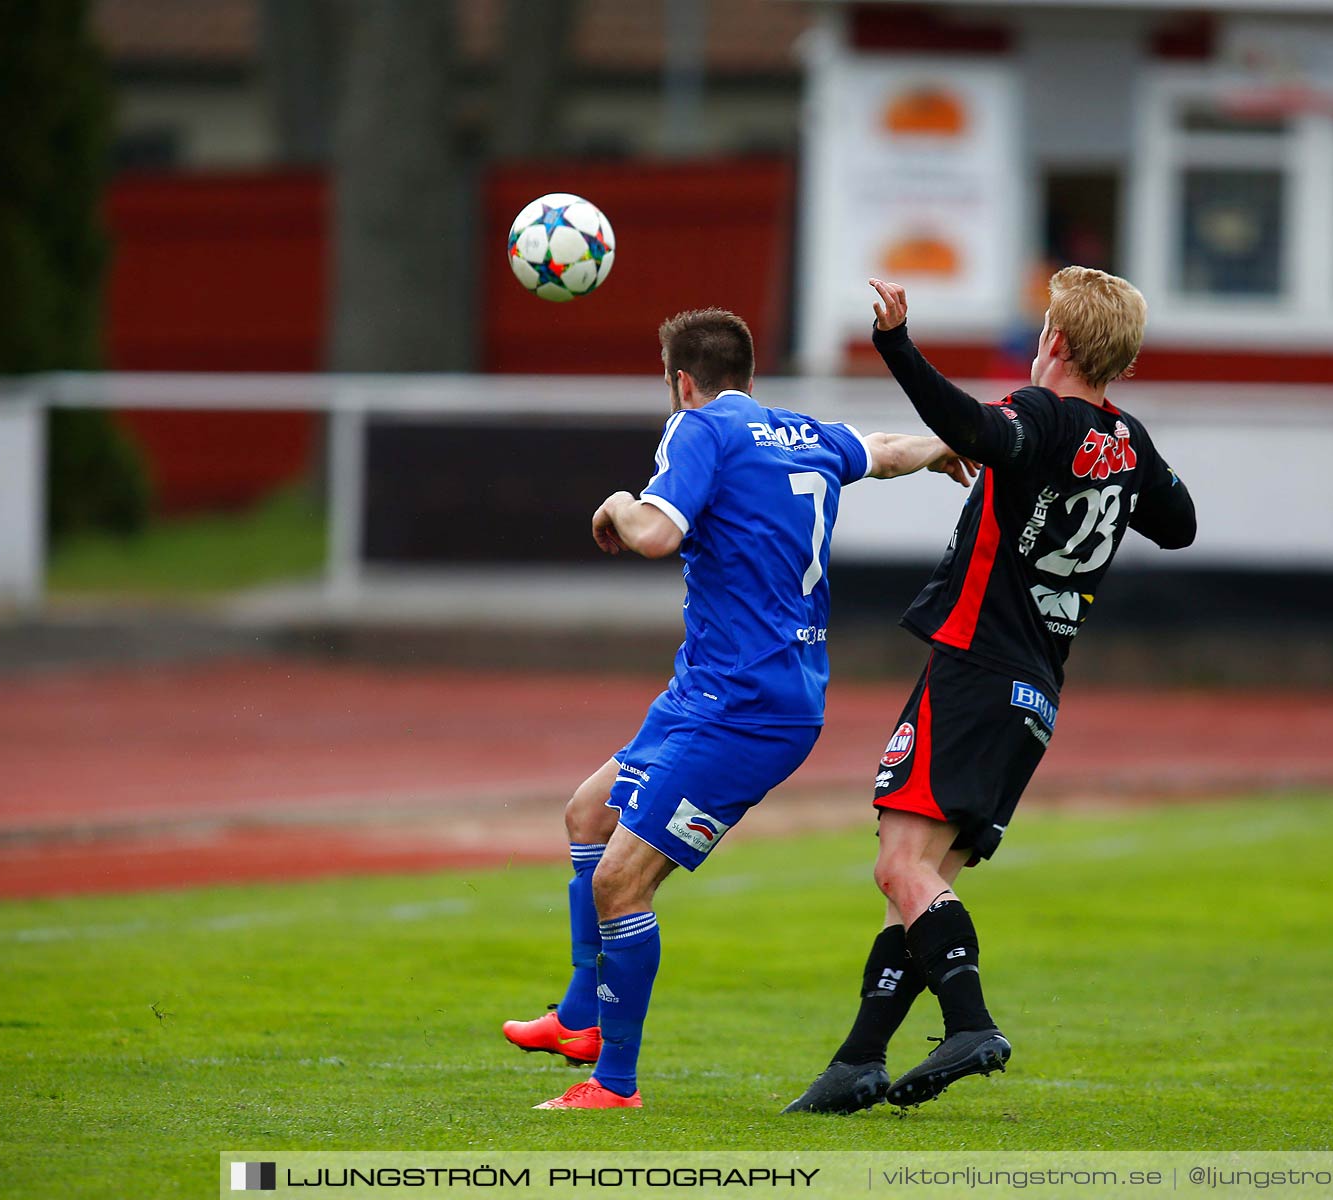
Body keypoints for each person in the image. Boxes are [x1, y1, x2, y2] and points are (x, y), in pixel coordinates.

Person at [501, 307, 974, 1110]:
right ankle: (581, 1016)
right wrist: (947, 446)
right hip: (714, 690)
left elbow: (652, 534)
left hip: (746, 709)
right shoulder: (802, 432)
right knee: (587, 814)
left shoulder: (697, 429)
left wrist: (615, 502)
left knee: (620, 882)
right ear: (751, 379)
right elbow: (890, 451)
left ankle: (615, 1084)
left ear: (682, 383)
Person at [784, 268, 1196, 1114]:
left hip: (976, 666)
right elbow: (1180, 524)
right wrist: (1129, 479)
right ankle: (857, 1060)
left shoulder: (1043, 414)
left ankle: (971, 1022)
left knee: (899, 865)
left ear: (1058, 342)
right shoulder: (1129, 440)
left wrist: (896, 345)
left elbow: (973, 425)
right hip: (1037, 692)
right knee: (927, 878)